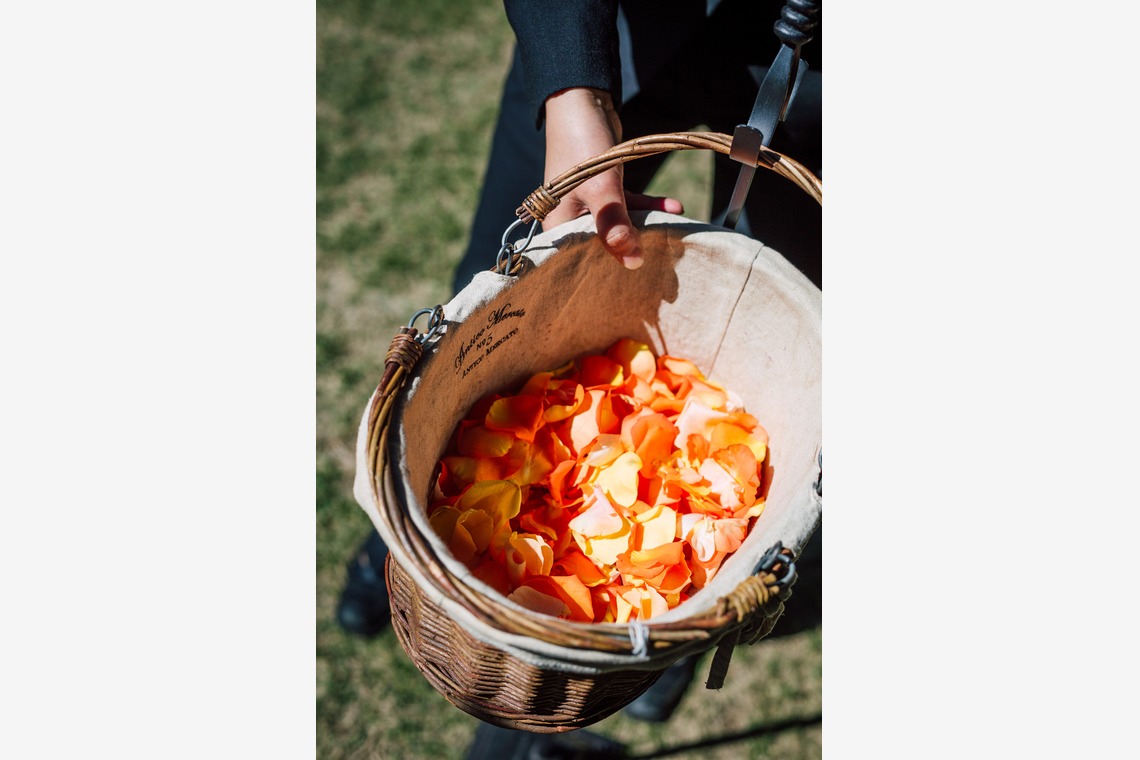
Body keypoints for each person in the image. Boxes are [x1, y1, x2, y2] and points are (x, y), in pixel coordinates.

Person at [338, 0, 822, 733]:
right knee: (493, 287)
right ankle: (396, 542)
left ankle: (672, 640)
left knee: (786, 314)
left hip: (817, 63)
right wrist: (572, 86)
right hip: (616, 27)